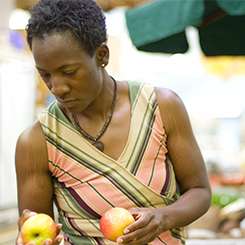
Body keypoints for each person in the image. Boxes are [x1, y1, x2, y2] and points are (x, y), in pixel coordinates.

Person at [15, 0, 211, 244]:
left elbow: (200, 192)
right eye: (45, 74)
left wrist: (164, 217)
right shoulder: (36, 142)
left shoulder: (162, 107)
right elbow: (37, 229)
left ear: (102, 55)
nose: (57, 87)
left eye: (69, 72)